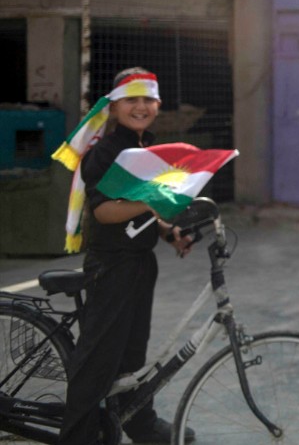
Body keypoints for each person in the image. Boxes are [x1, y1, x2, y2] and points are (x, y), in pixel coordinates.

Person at [59, 68, 196, 445]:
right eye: (131, 100)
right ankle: (78, 437)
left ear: (158, 105)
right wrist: (150, 200)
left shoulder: (144, 150)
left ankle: (138, 421)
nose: (140, 107)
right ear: (114, 106)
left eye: (147, 99)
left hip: (139, 263)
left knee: (133, 356)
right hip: (111, 265)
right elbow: (104, 212)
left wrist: (170, 233)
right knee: (99, 361)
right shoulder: (104, 152)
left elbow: (144, 213)